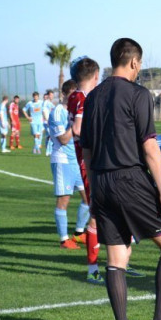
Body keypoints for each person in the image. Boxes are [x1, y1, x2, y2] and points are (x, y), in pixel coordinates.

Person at [81, 38, 161, 320]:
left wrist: (94, 193)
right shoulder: (138, 94)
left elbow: (86, 152)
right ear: (134, 62)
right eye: (140, 63)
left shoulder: (93, 97)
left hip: (101, 182)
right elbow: (149, 148)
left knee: (117, 257)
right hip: (129, 179)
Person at [68, 56, 103, 284]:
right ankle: (93, 269)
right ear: (96, 76)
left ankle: (119, 261)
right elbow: (78, 129)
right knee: (96, 217)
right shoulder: (82, 98)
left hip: (88, 159)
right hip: (89, 161)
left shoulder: (73, 96)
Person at [49, 80, 90, 250]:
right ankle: (63, 240)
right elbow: (64, 139)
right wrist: (75, 125)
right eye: (73, 94)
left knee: (88, 198)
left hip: (77, 160)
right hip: (63, 160)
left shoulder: (77, 111)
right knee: (63, 200)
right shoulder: (58, 112)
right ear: (65, 94)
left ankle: (79, 233)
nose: (76, 98)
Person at [42, 91, 56, 156]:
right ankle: (49, 152)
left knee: (48, 136)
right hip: (47, 122)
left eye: (52, 95)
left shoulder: (51, 103)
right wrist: (47, 120)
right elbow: (44, 111)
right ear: (48, 96)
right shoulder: (46, 102)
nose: (52, 96)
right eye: (51, 95)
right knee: (51, 136)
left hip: (50, 122)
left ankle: (48, 150)